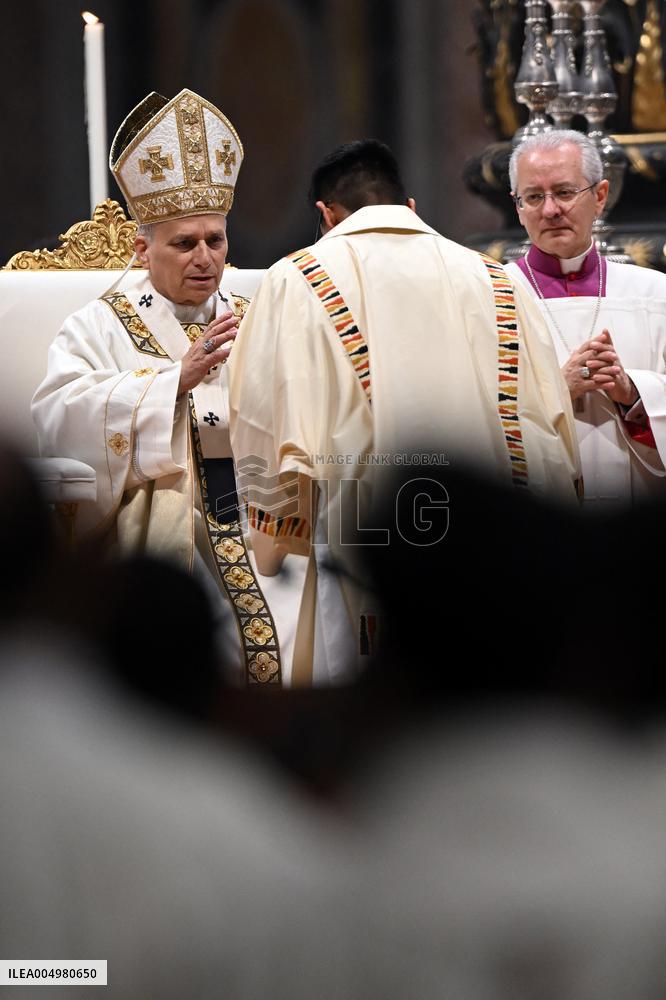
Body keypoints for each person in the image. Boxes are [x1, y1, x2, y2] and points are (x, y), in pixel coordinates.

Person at [229, 139, 581, 686]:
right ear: (410, 206)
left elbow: (268, 419)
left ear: (325, 215)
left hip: (369, 547)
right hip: (497, 551)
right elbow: (552, 426)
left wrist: (277, 539)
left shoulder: (297, 279)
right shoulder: (498, 279)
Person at [31, 89, 305, 687]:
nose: (205, 258)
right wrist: (171, 383)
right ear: (142, 246)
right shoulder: (98, 324)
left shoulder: (257, 308)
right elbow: (58, 416)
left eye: (216, 239)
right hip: (166, 521)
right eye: (184, 243)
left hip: (266, 517)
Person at [506, 129, 666, 510]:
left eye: (564, 192)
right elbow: (467, 421)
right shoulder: (490, 295)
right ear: (517, 207)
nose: (550, 210)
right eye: (533, 197)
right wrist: (556, 391)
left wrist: (632, 393)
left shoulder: (654, 294)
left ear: (599, 196)